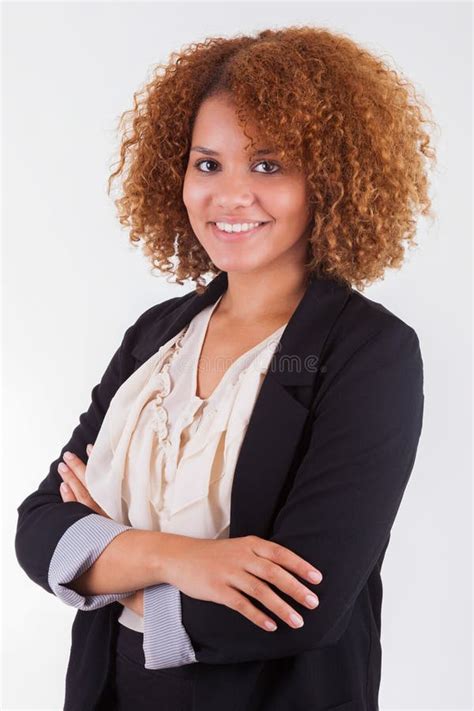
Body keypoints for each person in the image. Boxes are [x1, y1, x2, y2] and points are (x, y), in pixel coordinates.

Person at [15, 25, 436, 711]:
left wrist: (107, 559)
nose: (229, 195)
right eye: (207, 164)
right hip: (107, 691)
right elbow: (39, 527)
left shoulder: (364, 352)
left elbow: (304, 602)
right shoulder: (156, 336)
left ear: (327, 178)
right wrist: (182, 558)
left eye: (268, 165)